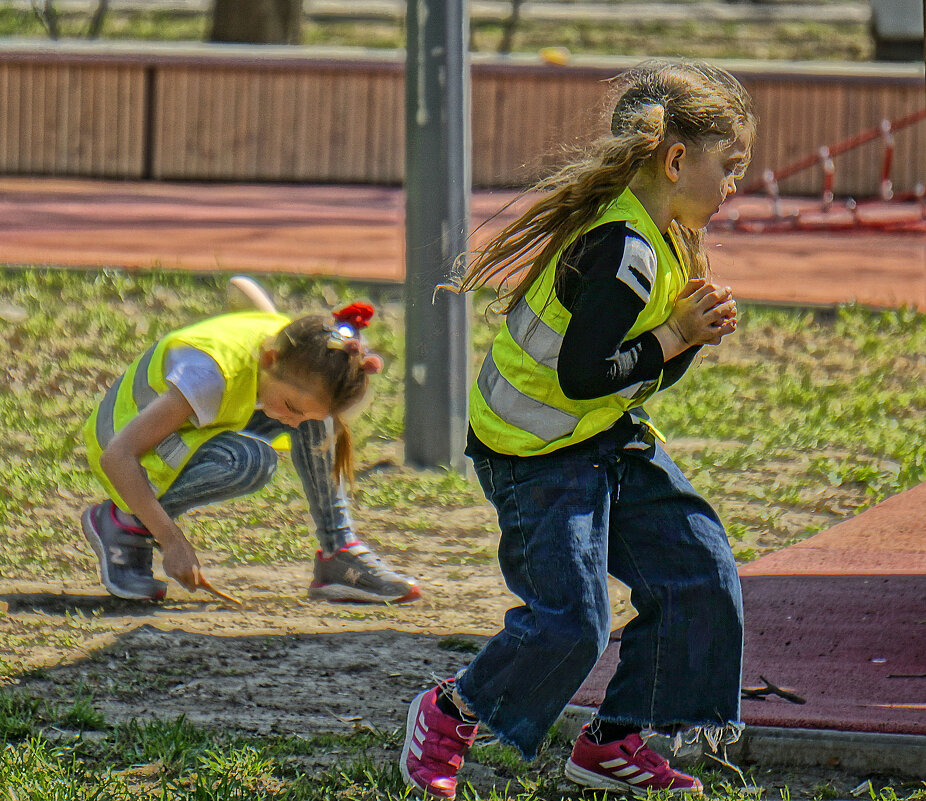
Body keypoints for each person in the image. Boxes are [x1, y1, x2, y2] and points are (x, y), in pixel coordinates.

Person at [400, 59, 757, 798]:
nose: (734, 186)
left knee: (701, 572)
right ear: (677, 158)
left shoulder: (666, 237)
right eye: (730, 167)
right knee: (573, 622)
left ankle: (613, 741)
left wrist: (688, 335)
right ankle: (449, 712)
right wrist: (674, 336)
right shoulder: (622, 247)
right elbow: (581, 374)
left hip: (601, 439)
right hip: (535, 453)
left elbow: (630, 377)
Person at [80, 279, 419, 605]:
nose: (294, 423)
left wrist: (300, 411)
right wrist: (172, 540)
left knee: (318, 417)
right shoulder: (208, 376)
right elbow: (118, 456)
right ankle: (124, 521)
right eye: (290, 408)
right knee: (249, 462)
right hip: (126, 448)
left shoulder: (290, 344)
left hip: (183, 427)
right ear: (270, 360)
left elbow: (240, 286)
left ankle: (338, 553)